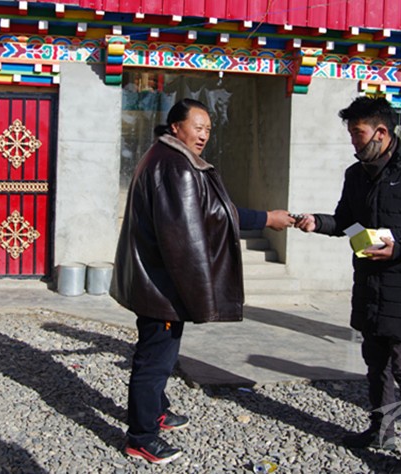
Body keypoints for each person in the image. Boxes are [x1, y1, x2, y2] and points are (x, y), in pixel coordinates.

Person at [110, 98, 293, 465]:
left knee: (162, 354)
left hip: (159, 282)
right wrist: (199, 293)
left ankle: (155, 411)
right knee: (154, 360)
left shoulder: (169, 158)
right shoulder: (174, 166)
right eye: (198, 127)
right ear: (176, 127)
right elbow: (185, 237)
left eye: (208, 129)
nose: (204, 135)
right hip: (161, 286)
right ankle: (141, 437)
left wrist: (265, 218)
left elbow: (213, 212)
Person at [295, 97, 401, 474]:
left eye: (357, 133)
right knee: (375, 362)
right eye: (350, 133)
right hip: (368, 284)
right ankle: (381, 429)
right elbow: (348, 223)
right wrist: (318, 222)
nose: (353, 141)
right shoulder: (355, 174)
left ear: (381, 132)